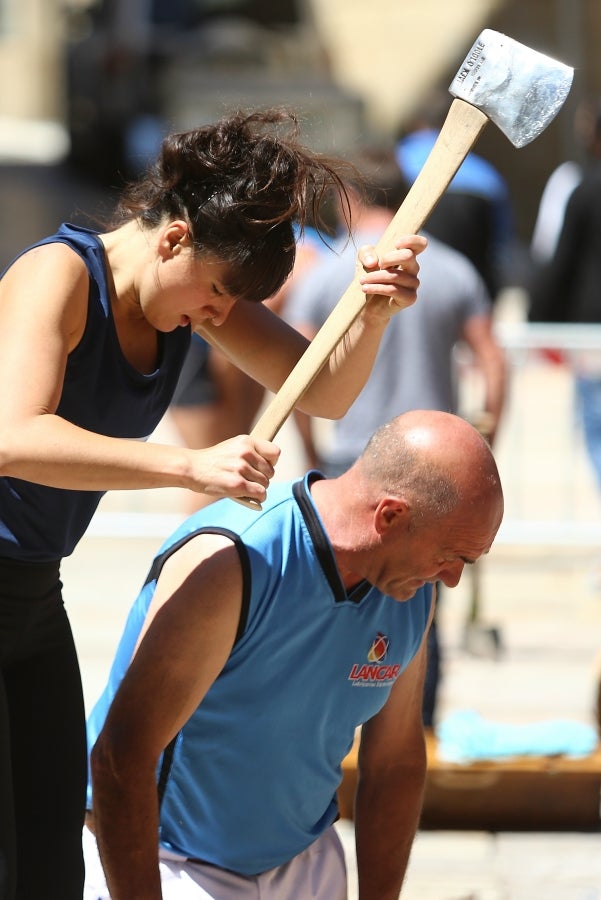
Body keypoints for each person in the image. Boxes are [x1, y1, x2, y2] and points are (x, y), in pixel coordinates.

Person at [0, 108, 426, 900]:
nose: (218, 317)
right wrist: (188, 466)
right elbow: (12, 436)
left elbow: (324, 388)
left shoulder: (191, 294)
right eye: (219, 294)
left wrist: (372, 312)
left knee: (50, 866)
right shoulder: (54, 275)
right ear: (173, 240)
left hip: (31, 597)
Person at [83, 409, 504, 900]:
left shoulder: (412, 588)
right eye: (452, 556)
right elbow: (119, 758)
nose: (452, 578)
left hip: (304, 862)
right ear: (391, 515)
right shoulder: (234, 560)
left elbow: (394, 764)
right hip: (169, 861)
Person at [285, 147, 507, 726]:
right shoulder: (454, 268)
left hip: (349, 464)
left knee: (328, 607)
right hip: (439, 477)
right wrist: (484, 450)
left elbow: (300, 370)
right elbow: (493, 363)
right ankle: (415, 729)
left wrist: (309, 451)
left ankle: (328, 729)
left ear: (348, 201)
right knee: (419, 612)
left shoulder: (325, 270)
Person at [168, 227, 328, 514]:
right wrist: (309, 451)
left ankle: (209, 547)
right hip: (202, 350)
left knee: (225, 470)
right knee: (214, 470)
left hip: (224, 351)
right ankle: (192, 552)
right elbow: (229, 350)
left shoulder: (308, 253)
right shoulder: (307, 257)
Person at [396, 89, 515, 299]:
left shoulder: (396, 163)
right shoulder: (486, 175)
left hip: (408, 288)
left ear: (413, 124)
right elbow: (501, 242)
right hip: (472, 292)